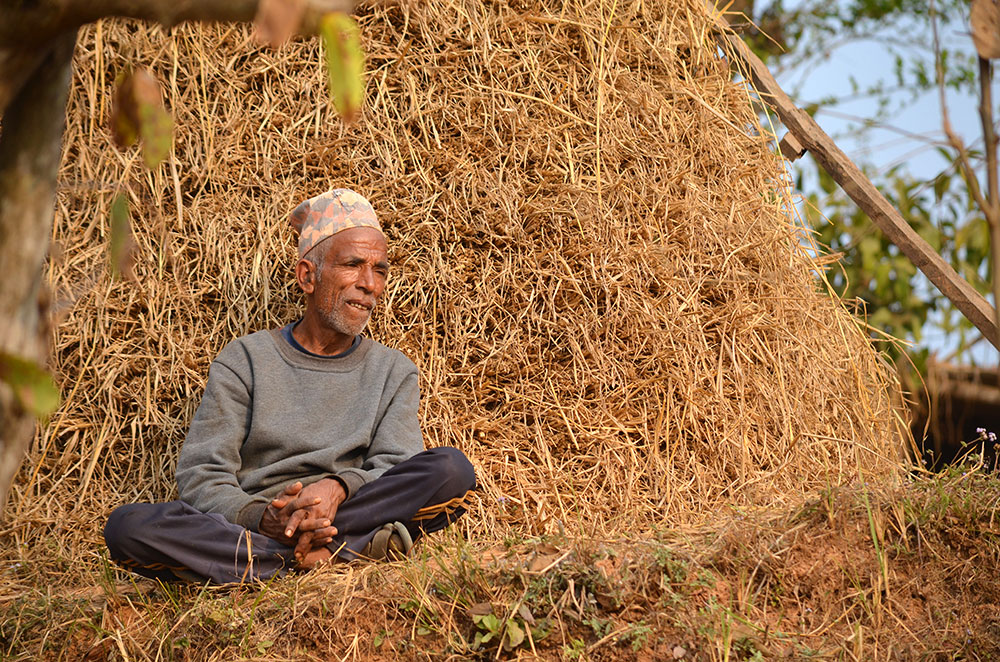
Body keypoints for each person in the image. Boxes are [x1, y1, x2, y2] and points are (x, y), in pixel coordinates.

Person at [103, 189, 476, 584]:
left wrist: (337, 488)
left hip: (349, 507)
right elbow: (203, 474)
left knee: (451, 470)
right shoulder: (246, 359)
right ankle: (335, 550)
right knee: (128, 526)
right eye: (353, 265)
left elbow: (396, 464)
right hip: (257, 526)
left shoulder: (393, 370)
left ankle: (287, 558)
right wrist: (264, 518)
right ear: (307, 276)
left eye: (380, 270)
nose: (370, 284)